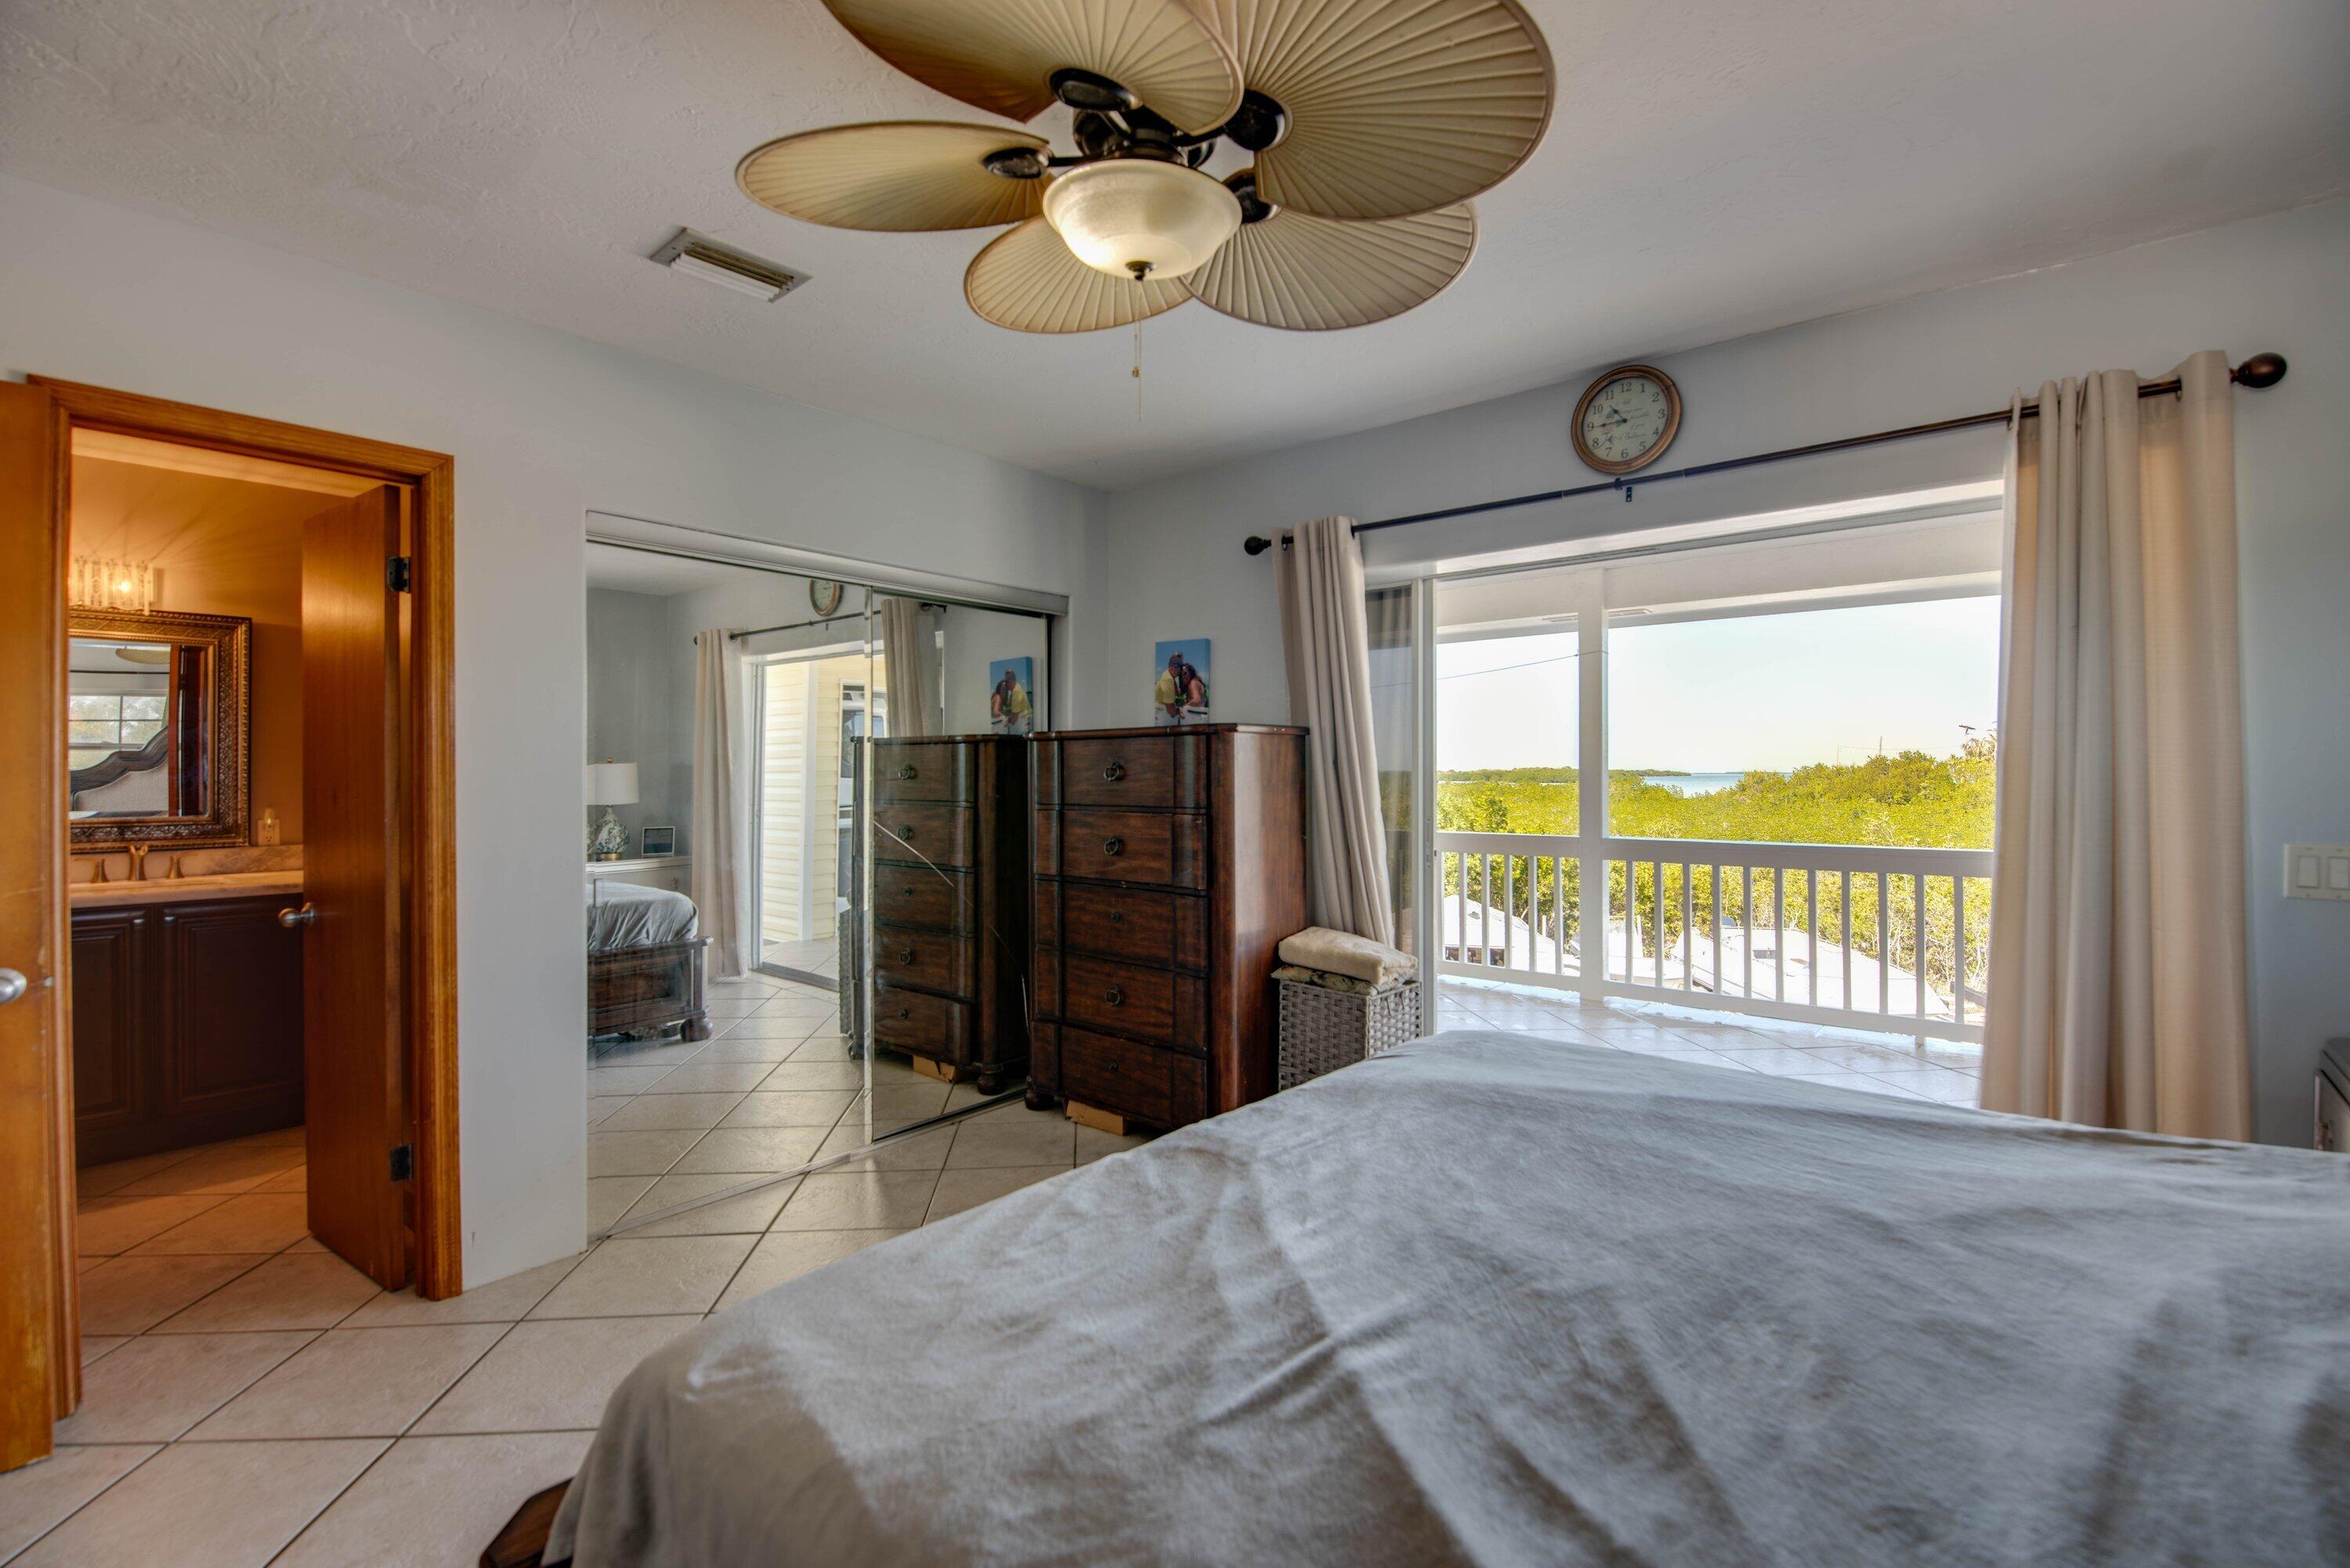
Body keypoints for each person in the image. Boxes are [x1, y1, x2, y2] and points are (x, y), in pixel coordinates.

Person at [1155, 650, 1206, 723]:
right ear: (1170, 664)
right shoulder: (1170, 680)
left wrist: (1182, 708)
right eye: (1181, 675)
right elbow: (1179, 693)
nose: (1179, 669)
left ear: (1191, 673)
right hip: (1195, 717)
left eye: (1185, 673)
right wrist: (1173, 679)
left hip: (1196, 718)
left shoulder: (1193, 683)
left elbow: (1197, 700)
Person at [990, 667, 1032, 733]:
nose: (1006, 689)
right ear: (999, 689)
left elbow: (1008, 705)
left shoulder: (1015, 692)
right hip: (996, 722)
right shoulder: (998, 697)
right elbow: (995, 711)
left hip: (997, 721)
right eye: (1003, 689)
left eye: (1005, 689)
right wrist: (1005, 717)